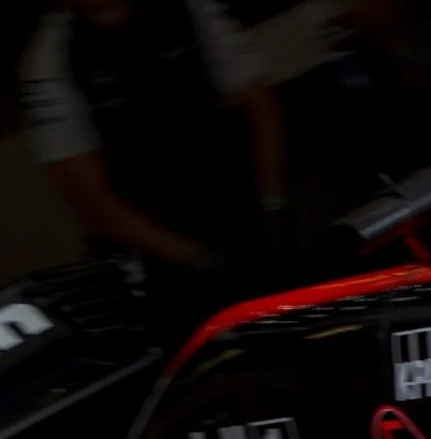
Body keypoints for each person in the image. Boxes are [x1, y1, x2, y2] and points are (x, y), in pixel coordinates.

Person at [18, 0, 288, 303]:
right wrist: (195, 258)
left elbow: (260, 105)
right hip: (156, 251)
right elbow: (87, 193)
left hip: (243, 211)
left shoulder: (189, 8)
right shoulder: (49, 62)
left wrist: (272, 204)